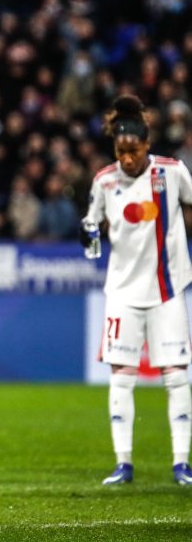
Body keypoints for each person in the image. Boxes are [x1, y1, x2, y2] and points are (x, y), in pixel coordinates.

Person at [83, 95, 192, 486]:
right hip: (123, 293)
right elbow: (91, 232)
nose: (127, 158)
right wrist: (89, 234)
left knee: (177, 375)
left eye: (133, 151)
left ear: (147, 145)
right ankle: (123, 463)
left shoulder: (172, 172)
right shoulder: (103, 181)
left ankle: (182, 462)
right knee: (121, 376)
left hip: (167, 290)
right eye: (120, 151)